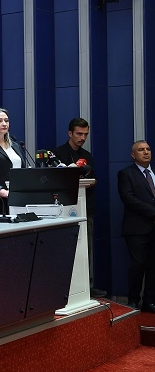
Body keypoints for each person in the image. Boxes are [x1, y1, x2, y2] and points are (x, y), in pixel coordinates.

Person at [54, 118, 104, 297]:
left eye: (85, 134)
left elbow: (94, 179)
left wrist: (87, 181)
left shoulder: (87, 155)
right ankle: (64, 286)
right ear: (70, 133)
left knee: (86, 248)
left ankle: (87, 286)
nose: (83, 138)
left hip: (85, 208)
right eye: (79, 134)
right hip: (64, 210)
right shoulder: (57, 153)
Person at [117, 140, 155, 312]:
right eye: (141, 150)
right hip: (137, 229)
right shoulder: (126, 174)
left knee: (153, 266)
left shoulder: (153, 173)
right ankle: (133, 300)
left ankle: (149, 301)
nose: (146, 152)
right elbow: (128, 199)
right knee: (138, 266)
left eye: (148, 149)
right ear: (133, 155)